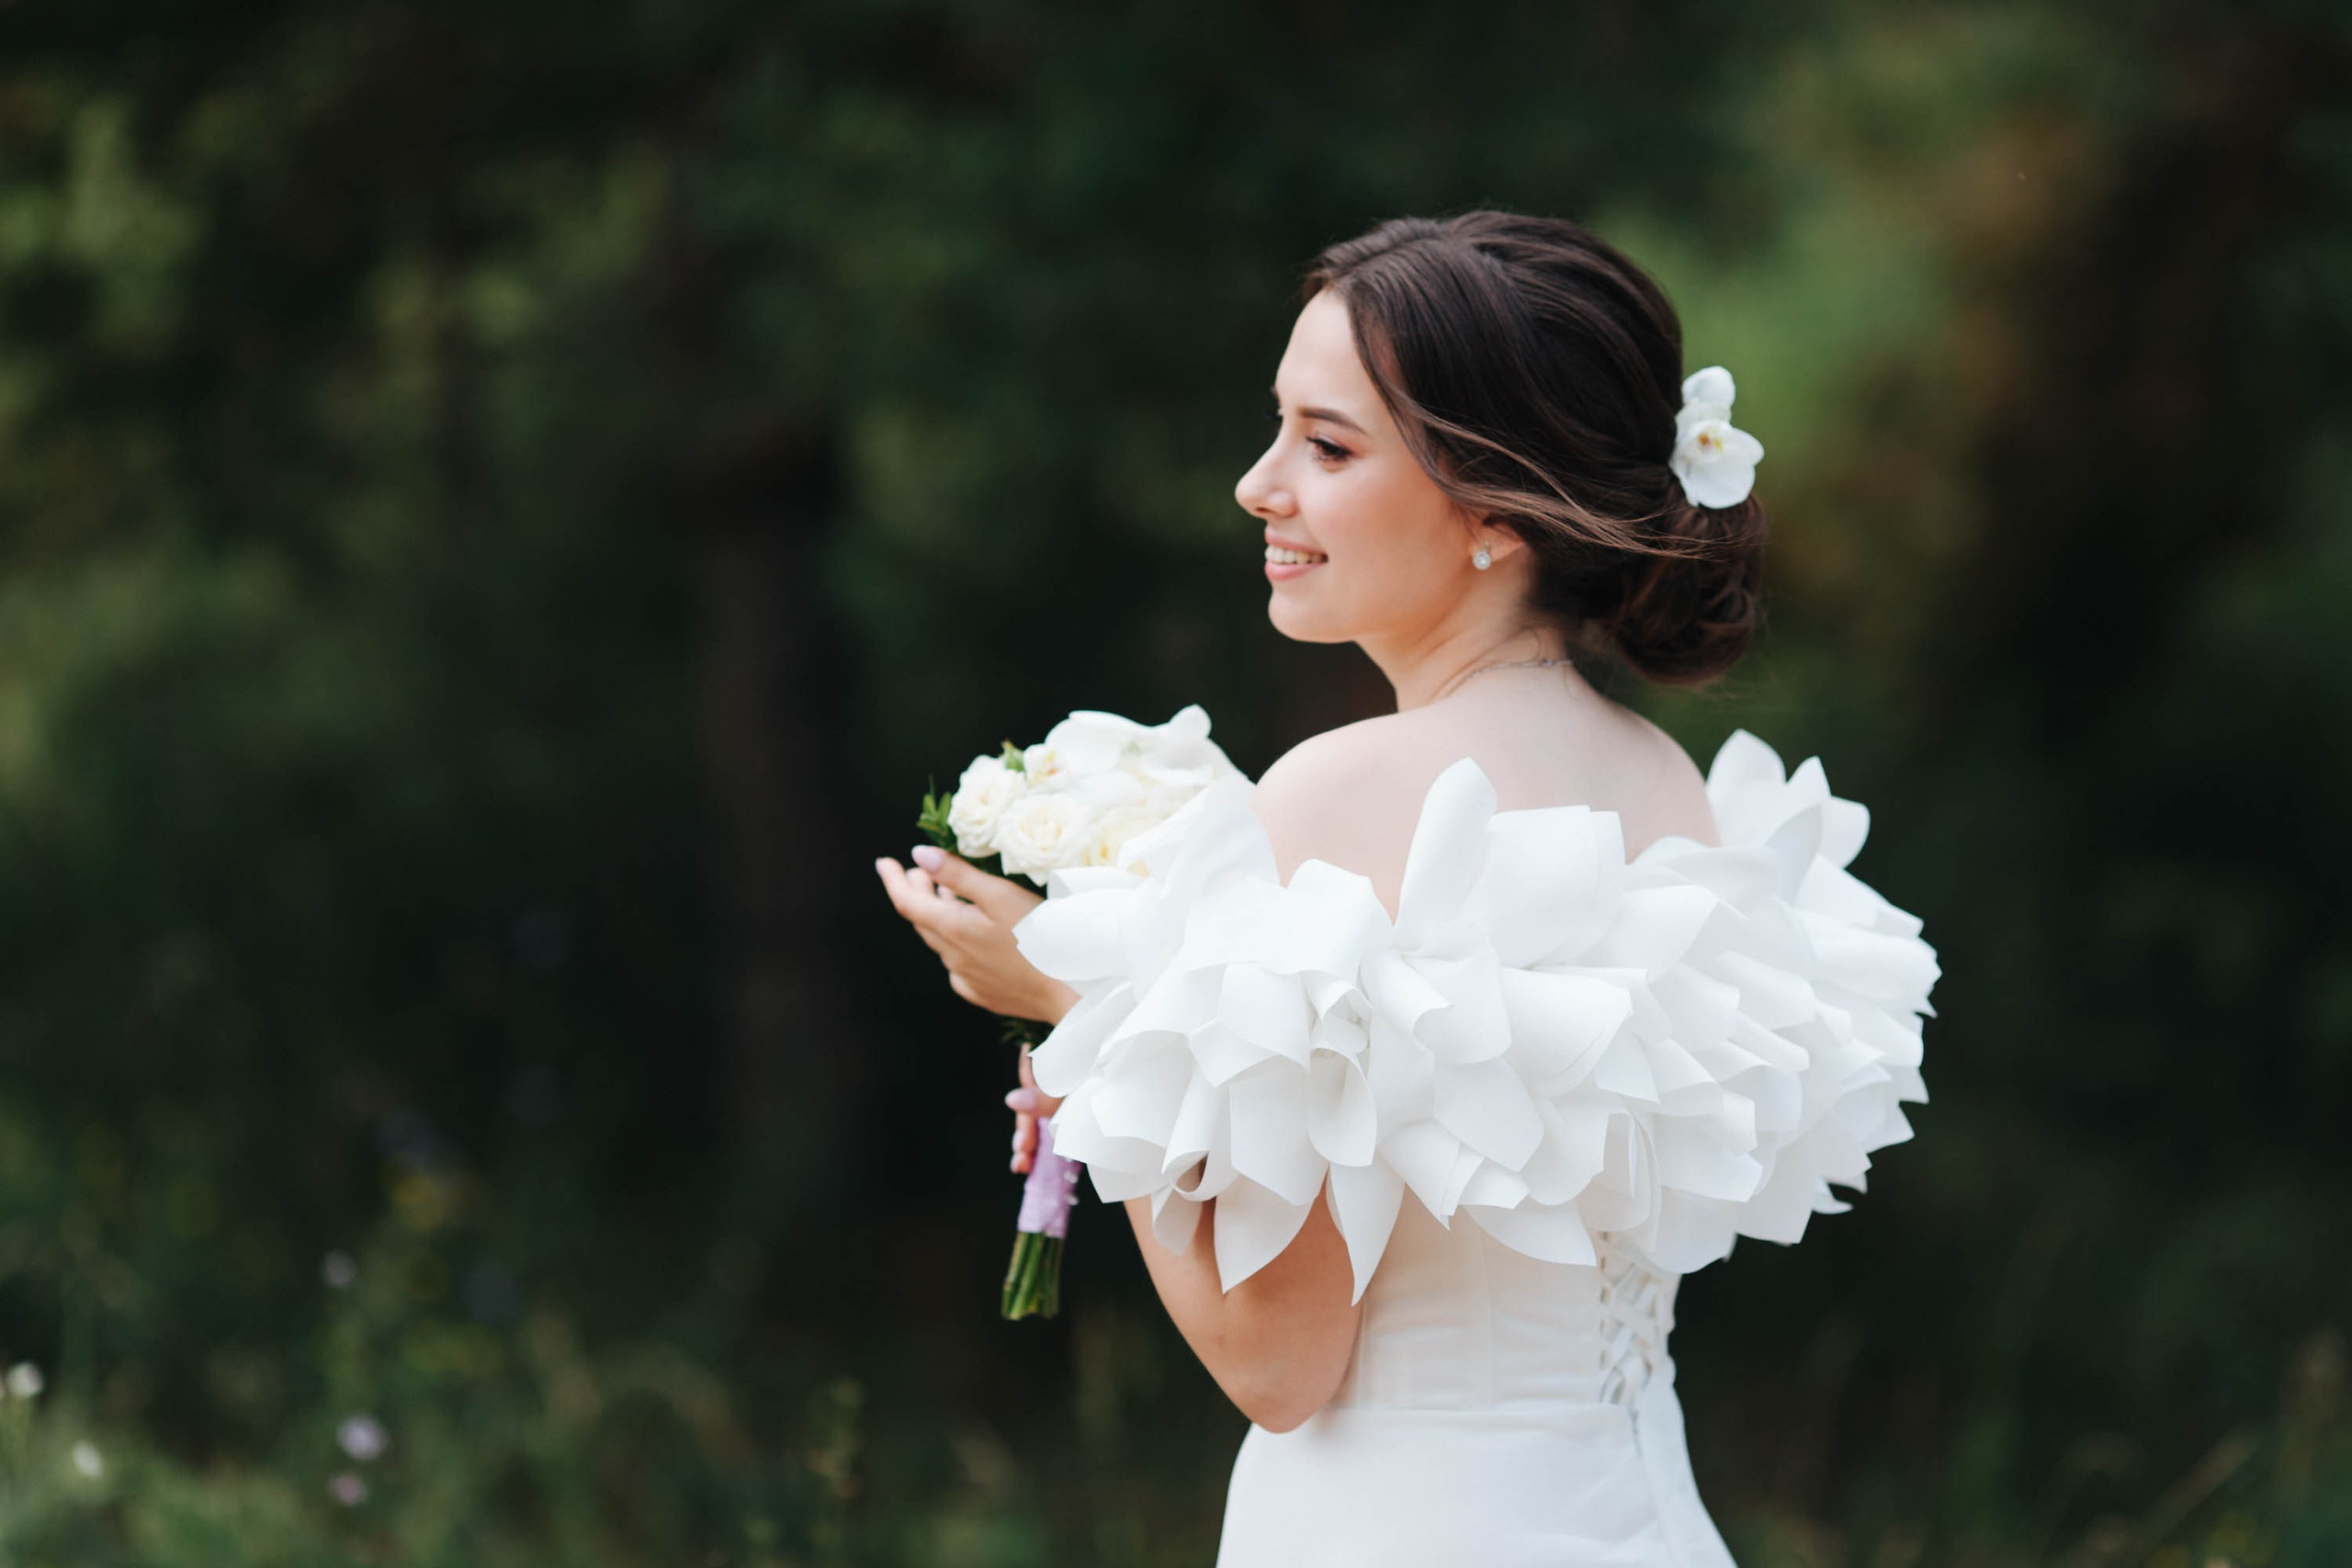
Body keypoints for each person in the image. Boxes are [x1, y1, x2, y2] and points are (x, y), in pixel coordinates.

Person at [875, 211, 1937, 1566]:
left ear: (1494, 508)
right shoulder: (1666, 783)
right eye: (1277, 430)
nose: (1258, 485)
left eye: (1327, 447)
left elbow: (1280, 1364)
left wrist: (1088, 1017)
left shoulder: (1344, 794)